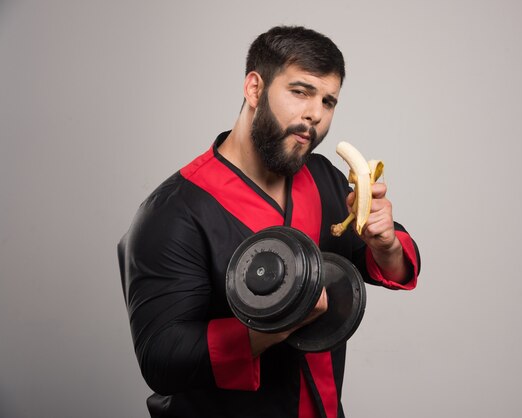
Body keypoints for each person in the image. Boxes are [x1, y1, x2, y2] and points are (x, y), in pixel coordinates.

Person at [117, 25, 421, 418]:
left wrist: (386, 245)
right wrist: (277, 324)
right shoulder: (173, 211)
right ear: (255, 88)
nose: (315, 113)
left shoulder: (325, 177)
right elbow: (162, 357)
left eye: (328, 101)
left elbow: (391, 264)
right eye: (300, 92)